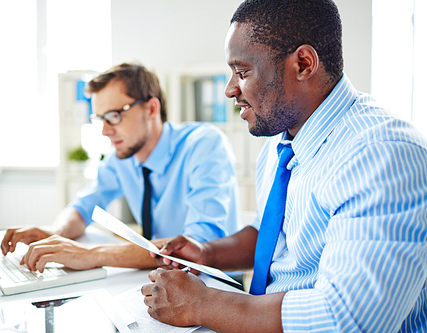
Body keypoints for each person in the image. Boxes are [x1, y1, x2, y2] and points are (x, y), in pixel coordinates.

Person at [141, 0, 427, 332]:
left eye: (243, 72)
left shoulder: (381, 154)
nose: (230, 89)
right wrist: (208, 253)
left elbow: (348, 318)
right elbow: (274, 236)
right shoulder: (282, 145)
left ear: (303, 64)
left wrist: (200, 304)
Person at [0, 62, 241, 272]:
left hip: (212, 283)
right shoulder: (122, 157)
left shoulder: (204, 145)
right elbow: (83, 207)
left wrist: (92, 254)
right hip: (163, 276)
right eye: (99, 119)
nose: (105, 131)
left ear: (151, 109)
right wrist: (55, 233)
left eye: (114, 116)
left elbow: (196, 245)